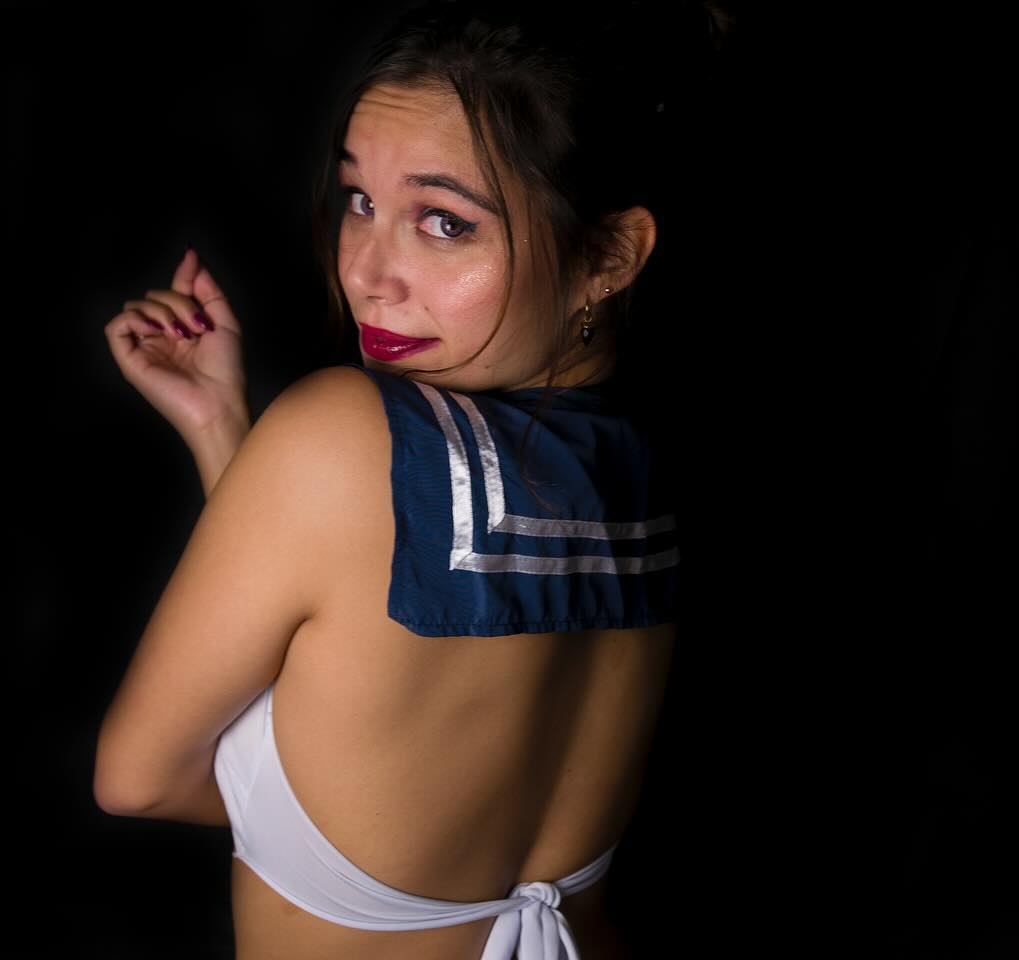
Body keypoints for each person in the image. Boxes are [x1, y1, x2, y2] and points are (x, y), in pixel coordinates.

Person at [94, 2, 731, 956]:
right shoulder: (648, 472)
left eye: (443, 221)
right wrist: (224, 429)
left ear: (609, 256)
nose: (366, 274)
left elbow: (138, 779)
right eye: (359, 200)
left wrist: (266, 445)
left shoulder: (337, 436)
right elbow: (352, 635)